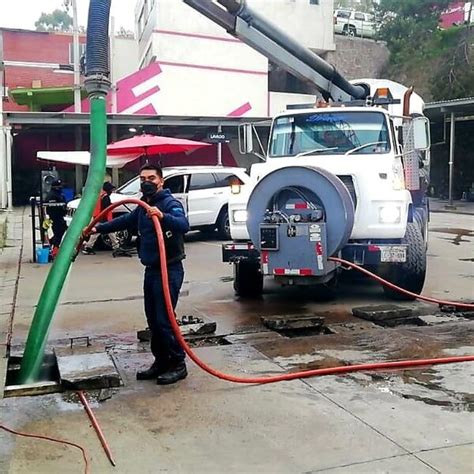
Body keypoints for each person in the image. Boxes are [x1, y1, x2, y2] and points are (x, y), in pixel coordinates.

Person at [85, 164, 190, 385]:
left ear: (161, 181)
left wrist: (162, 216)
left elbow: (183, 224)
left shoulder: (170, 203)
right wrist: (98, 229)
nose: (147, 182)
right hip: (152, 270)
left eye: (151, 178)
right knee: (152, 320)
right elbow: (125, 221)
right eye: (143, 178)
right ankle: (160, 361)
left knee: (165, 320)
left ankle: (178, 364)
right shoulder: (143, 206)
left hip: (169, 269)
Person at [82, 182, 129, 257]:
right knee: (107, 232)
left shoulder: (100, 196)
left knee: (97, 234)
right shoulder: (106, 197)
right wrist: (107, 220)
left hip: (97, 217)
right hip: (102, 218)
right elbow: (106, 209)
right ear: (108, 190)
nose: (112, 191)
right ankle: (116, 247)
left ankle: (88, 246)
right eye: (111, 189)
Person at [45, 179, 67, 254]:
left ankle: (54, 244)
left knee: (61, 230)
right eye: (59, 187)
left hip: (60, 216)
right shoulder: (52, 195)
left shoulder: (58, 194)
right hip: (55, 217)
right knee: (59, 231)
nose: (61, 188)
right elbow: (52, 207)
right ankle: (54, 246)